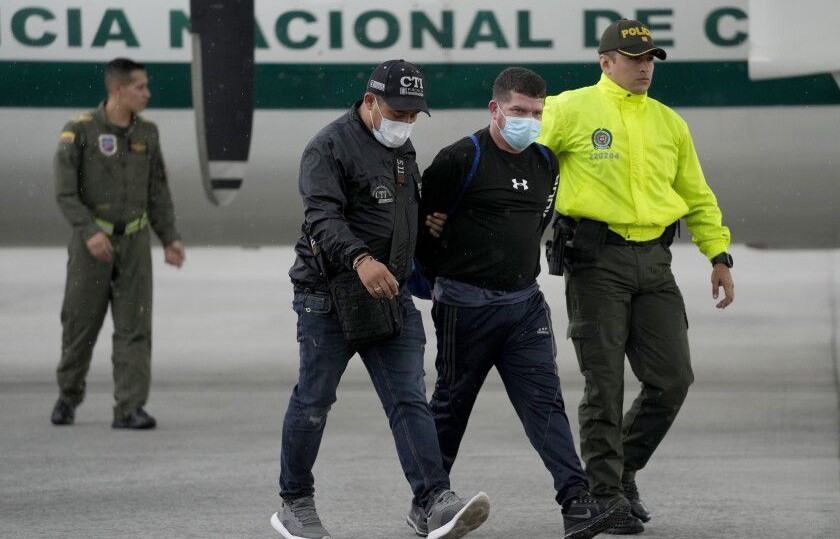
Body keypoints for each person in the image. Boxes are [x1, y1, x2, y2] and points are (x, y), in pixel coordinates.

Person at [273, 59, 490, 539]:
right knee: (314, 399)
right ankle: (295, 502)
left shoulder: (402, 151)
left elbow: (401, 224)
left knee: (409, 399)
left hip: (388, 295)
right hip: (327, 297)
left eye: (414, 116)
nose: (406, 123)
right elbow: (322, 218)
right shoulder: (327, 148)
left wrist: (427, 265)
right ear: (370, 101)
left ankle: (432, 499)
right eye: (398, 112)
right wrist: (359, 260)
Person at [413, 67, 629, 539]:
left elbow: (536, 224)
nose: (527, 120)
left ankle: (577, 503)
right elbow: (422, 232)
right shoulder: (459, 158)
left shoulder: (546, 161)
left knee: (545, 404)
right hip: (464, 307)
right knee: (451, 405)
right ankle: (429, 502)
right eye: (517, 111)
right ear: (495, 109)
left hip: (524, 306)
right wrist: (447, 282)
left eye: (536, 112)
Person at [537, 20, 735, 534]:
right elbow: (519, 161)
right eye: (634, 58)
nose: (645, 67)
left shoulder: (669, 123)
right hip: (596, 262)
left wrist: (719, 254)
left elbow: (696, 193)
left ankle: (622, 470)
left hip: (654, 261)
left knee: (673, 379)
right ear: (606, 61)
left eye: (650, 58)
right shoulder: (569, 109)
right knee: (603, 385)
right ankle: (604, 495)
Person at [51, 57, 185, 430]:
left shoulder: (148, 134)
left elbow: (158, 191)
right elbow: (65, 193)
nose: (147, 94)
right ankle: (68, 395)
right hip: (91, 244)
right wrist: (89, 232)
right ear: (117, 89)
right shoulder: (78, 131)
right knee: (80, 323)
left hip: (135, 243)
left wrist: (170, 238)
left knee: (135, 327)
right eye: (140, 87)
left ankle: (129, 407)